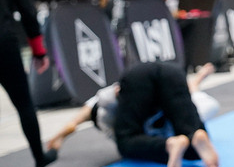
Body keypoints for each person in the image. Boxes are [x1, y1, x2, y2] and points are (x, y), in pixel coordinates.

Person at [47, 62, 218, 156]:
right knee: (192, 134)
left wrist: (64, 132)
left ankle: (170, 145)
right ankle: (194, 135)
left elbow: (89, 111)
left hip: (138, 80)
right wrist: (199, 77)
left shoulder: (110, 121)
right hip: (171, 72)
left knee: (127, 144)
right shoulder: (107, 112)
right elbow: (191, 90)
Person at [0, 0, 57, 167]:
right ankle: (38, 156)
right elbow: (28, 13)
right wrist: (39, 51)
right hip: (4, 42)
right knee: (23, 102)